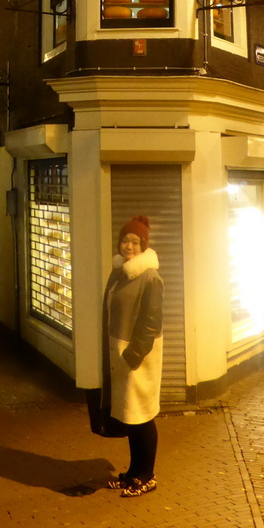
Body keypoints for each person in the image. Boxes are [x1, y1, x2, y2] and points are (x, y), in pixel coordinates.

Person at [101, 214, 164, 499]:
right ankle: (133, 472)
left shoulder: (150, 277)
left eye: (134, 241)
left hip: (138, 356)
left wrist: (133, 355)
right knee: (130, 414)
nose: (128, 246)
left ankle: (146, 475)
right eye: (125, 240)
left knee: (142, 415)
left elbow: (151, 323)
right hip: (121, 353)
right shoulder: (121, 272)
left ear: (143, 246)